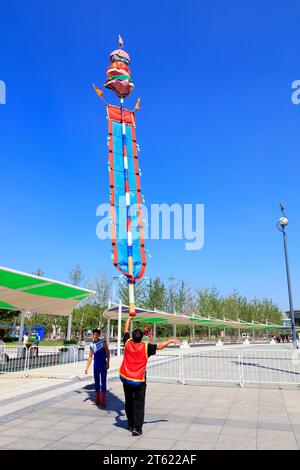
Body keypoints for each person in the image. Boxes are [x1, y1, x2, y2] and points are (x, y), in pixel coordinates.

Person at [119, 315, 181, 436]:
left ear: (132, 336)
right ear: (142, 338)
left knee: (129, 403)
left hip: (126, 378)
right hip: (139, 380)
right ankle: (137, 428)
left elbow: (125, 329)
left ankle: (130, 424)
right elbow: (160, 346)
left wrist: (130, 318)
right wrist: (170, 340)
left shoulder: (127, 343)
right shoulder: (146, 347)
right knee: (139, 404)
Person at [85, 328, 110, 407]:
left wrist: (108, 363)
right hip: (96, 365)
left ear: (99, 335)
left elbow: (108, 353)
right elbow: (90, 356)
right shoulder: (91, 345)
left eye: (96, 334)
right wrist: (87, 367)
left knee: (103, 383)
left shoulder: (103, 342)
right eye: (94, 334)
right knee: (96, 383)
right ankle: (97, 399)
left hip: (103, 365)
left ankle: (103, 400)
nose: (94, 336)